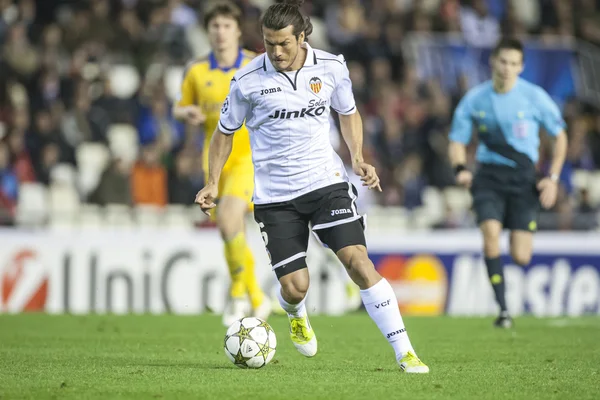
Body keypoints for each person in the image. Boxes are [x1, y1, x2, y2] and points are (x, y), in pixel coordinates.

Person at [195, 0, 429, 373]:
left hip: (326, 184)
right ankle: (295, 311)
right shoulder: (247, 80)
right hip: (275, 198)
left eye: (284, 43)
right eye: (269, 44)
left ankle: (405, 352)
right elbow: (224, 134)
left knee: (359, 263)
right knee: (296, 287)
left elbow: (348, 112)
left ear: (302, 36)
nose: (276, 52)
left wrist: (357, 158)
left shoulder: (332, 66)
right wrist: (211, 182)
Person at [448, 38, 568, 328]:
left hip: (524, 179)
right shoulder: (475, 99)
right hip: (488, 176)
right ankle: (503, 310)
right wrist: (461, 168)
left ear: (521, 66)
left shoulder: (534, 96)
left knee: (521, 255)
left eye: (514, 63)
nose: (507, 68)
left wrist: (552, 178)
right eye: (503, 61)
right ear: (493, 62)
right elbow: (457, 140)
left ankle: (504, 305)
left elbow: (559, 136)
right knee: (490, 233)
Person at [174, 1, 270, 327]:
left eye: (226, 25)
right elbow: (180, 106)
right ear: (208, 31)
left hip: (248, 158)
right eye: (215, 26)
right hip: (214, 162)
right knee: (229, 230)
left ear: (238, 29)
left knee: (230, 219)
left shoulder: (256, 65)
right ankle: (257, 298)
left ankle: (239, 294)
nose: (220, 32)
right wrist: (185, 112)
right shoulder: (197, 71)